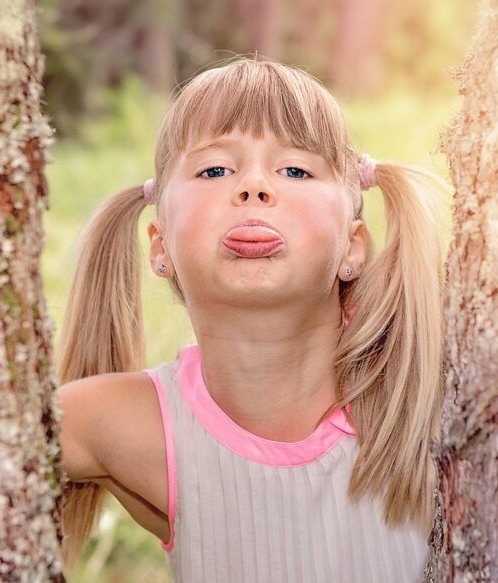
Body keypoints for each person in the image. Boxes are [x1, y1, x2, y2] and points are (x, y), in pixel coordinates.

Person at [53, 54, 448, 582]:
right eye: (215, 169)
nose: (254, 188)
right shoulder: (130, 425)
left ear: (354, 246)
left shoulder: (423, 394)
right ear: (160, 245)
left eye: (295, 170)